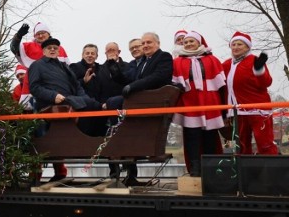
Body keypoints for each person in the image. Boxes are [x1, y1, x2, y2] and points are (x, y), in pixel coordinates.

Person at [103, 32, 174, 185]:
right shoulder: (143, 62)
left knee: (114, 101)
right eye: (144, 43)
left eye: (149, 42)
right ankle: (119, 131)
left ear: (158, 43)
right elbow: (128, 79)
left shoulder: (164, 57)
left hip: (151, 100)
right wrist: (113, 66)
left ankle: (119, 130)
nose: (145, 45)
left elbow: (158, 77)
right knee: (112, 102)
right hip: (141, 100)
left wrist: (133, 86)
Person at [28, 38, 101, 182]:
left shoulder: (64, 66)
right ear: (43, 51)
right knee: (44, 138)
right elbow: (34, 88)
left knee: (95, 106)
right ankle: (38, 173)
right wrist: (53, 95)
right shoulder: (37, 66)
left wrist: (85, 99)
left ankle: (97, 144)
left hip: (70, 102)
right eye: (49, 47)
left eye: (55, 47)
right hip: (49, 105)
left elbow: (77, 86)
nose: (53, 49)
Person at [11, 22, 70, 180]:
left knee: (56, 135)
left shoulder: (58, 49)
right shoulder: (29, 47)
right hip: (34, 96)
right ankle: (35, 174)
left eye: (44, 32)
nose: (41, 35)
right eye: (38, 33)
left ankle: (60, 172)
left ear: (49, 34)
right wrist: (18, 35)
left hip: (56, 97)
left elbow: (68, 72)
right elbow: (14, 48)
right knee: (36, 136)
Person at [172, 31, 226, 176]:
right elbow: (173, 83)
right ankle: (195, 168)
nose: (188, 44)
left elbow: (221, 85)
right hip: (190, 103)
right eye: (186, 42)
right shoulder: (177, 61)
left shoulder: (212, 59)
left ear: (199, 42)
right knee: (192, 136)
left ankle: (212, 169)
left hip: (210, 102)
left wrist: (224, 109)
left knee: (210, 136)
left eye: (191, 41)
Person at [80, 42, 137, 180]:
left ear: (119, 51)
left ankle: (131, 175)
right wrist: (101, 104)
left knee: (128, 140)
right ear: (105, 53)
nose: (111, 52)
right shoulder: (99, 69)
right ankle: (114, 174)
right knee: (108, 141)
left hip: (124, 108)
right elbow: (95, 90)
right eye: (108, 50)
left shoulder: (128, 66)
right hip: (105, 110)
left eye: (113, 49)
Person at [222, 31, 278, 155]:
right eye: (233, 44)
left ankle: (271, 170)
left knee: (264, 143)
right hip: (238, 111)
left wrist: (259, 70)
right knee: (241, 144)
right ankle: (244, 172)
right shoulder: (226, 65)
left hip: (258, 110)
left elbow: (267, 82)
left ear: (247, 47)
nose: (236, 47)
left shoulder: (254, 61)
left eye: (240, 44)